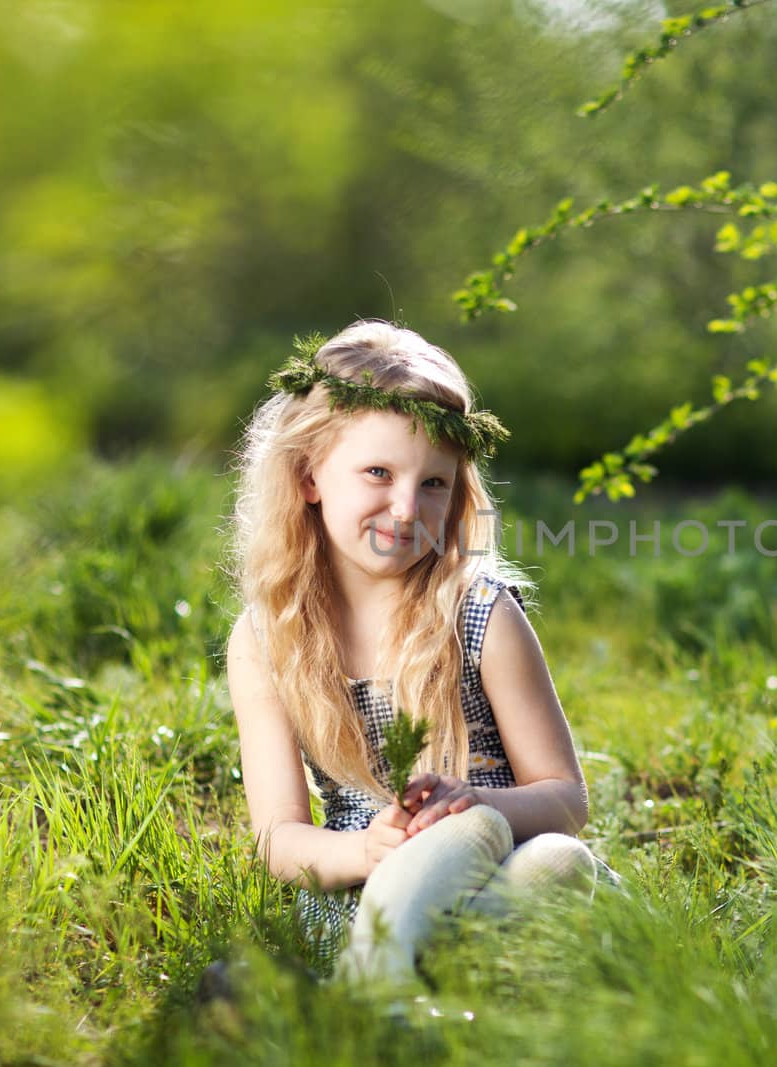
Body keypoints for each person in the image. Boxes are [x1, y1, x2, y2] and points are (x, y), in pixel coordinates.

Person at [224, 320, 598, 986]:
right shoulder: (267, 639)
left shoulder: (479, 614)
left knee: (556, 863)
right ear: (310, 476)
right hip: (361, 884)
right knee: (542, 884)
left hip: (495, 857)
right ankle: (390, 975)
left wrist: (470, 804)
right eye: (378, 472)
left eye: (434, 483)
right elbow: (276, 839)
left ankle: (371, 987)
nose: (405, 507)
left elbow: (566, 798)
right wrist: (369, 849)